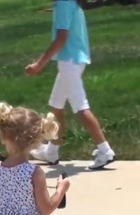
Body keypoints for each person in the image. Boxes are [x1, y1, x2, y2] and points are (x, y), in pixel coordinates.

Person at [25, 0, 115, 170]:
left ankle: (105, 150)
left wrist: (39, 64)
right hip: (72, 61)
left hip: (70, 62)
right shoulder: (71, 3)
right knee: (56, 106)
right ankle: (52, 151)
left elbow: (61, 38)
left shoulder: (63, 4)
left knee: (81, 108)